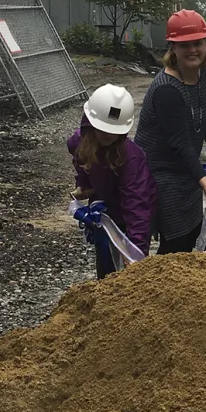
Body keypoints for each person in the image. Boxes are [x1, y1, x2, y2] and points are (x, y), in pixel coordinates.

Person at [134, 10, 206, 254]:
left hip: (186, 170)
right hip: (159, 171)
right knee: (175, 239)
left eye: (198, 43)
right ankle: (158, 286)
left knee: (192, 231)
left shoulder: (205, 73)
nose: (193, 50)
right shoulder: (167, 90)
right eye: (185, 45)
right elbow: (180, 144)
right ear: (173, 47)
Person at [68, 84, 156, 278]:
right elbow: (80, 160)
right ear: (91, 123)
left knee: (131, 274)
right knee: (106, 270)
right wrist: (84, 184)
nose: (108, 135)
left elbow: (137, 205)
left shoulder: (132, 158)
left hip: (129, 216)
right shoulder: (78, 142)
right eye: (103, 129)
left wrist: (136, 251)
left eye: (114, 130)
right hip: (103, 213)